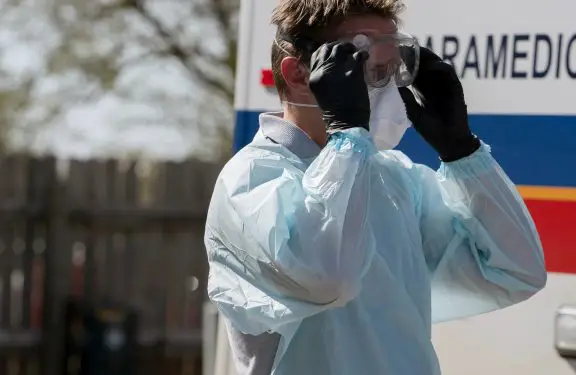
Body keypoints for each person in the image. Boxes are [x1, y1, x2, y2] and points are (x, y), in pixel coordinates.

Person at [204, 0, 547, 374]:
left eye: (387, 71)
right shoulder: (250, 181)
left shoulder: (393, 179)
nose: (379, 88)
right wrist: (348, 138)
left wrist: (462, 153)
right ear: (299, 74)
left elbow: (516, 272)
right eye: (360, 69)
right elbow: (327, 277)